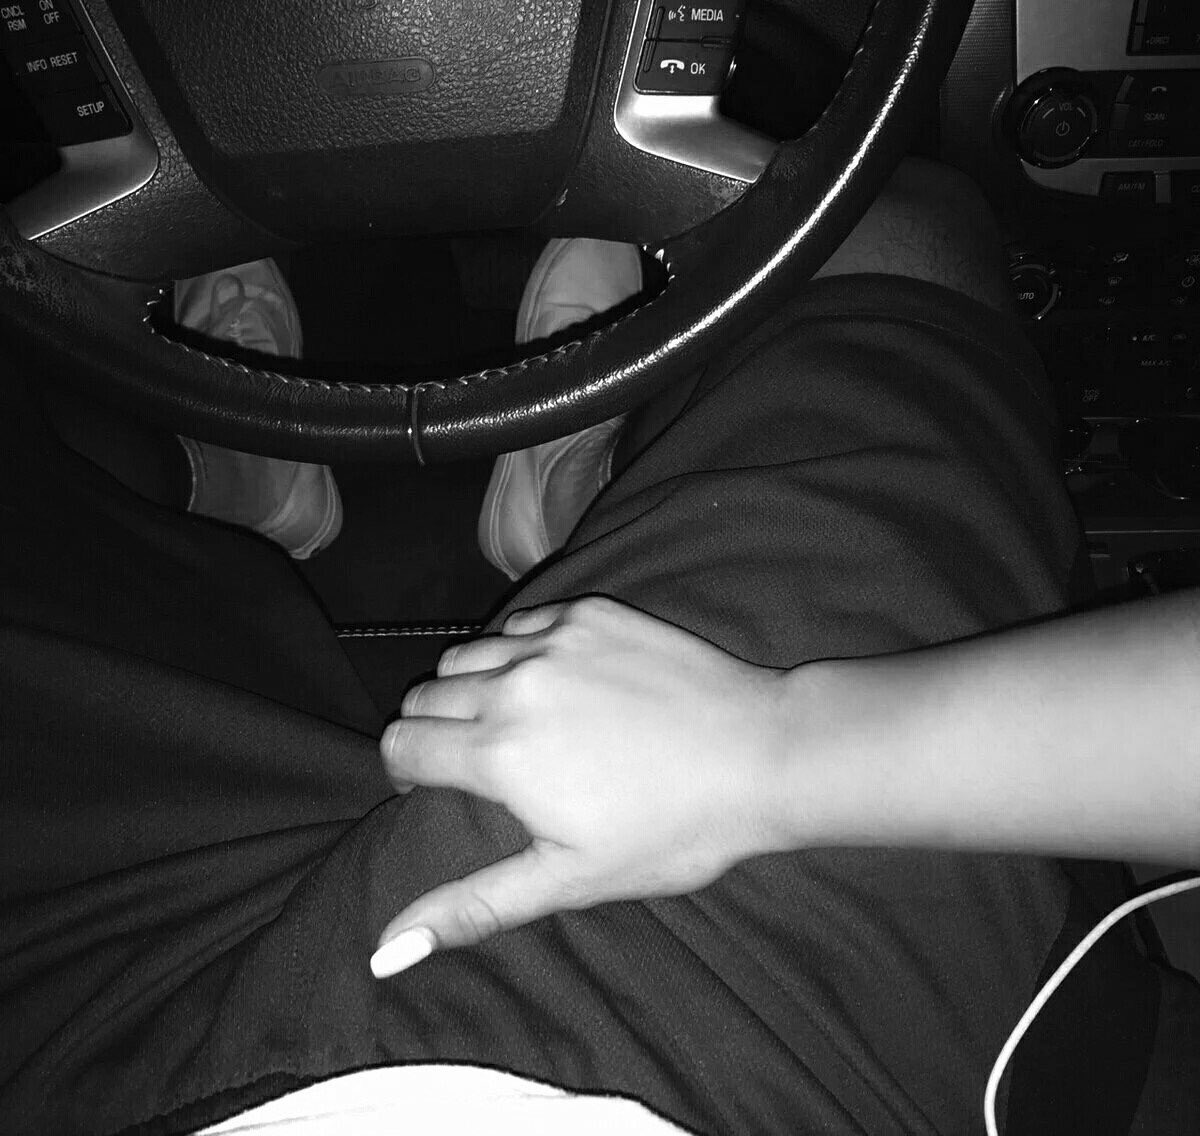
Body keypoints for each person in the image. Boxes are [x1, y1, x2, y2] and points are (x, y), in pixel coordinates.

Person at [1, 157, 1196, 1136]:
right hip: (758, 1064)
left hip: (79, 1062)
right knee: (893, 227)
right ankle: (574, 479)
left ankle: (232, 471)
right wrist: (776, 749)